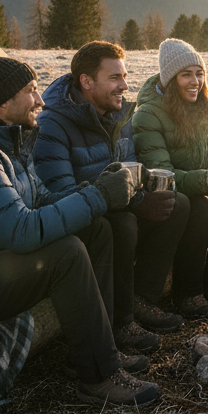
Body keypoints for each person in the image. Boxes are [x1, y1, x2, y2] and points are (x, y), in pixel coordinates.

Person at [0, 56, 161, 407]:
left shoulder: (5, 141)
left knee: (97, 229)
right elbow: (21, 231)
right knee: (65, 253)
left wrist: (97, 191)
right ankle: (99, 377)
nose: (40, 100)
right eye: (31, 91)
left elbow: (42, 199)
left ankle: (101, 345)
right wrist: (99, 196)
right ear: (3, 102)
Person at [33, 41, 190, 348]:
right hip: (79, 218)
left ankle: (142, 298)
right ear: (86, 82)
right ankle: (120, 322)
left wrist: (146, 190)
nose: (125, 85)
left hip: (113, 203)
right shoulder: (53, 124)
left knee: (178, 205)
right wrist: (135, 202)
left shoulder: (117, 114)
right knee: (122, 224)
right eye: (115, 78)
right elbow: (60, 192)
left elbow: (128, 168)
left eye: (125, 76)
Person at [132, 39, 208, 319]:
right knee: (200, 207)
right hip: (174, 194)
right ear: (170, 78)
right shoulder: (149, 114)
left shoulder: (207, 106)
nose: (195, 82)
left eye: (199, 73)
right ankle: (188, 293)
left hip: (202, 184)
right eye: (186, 74)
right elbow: (161, 173)